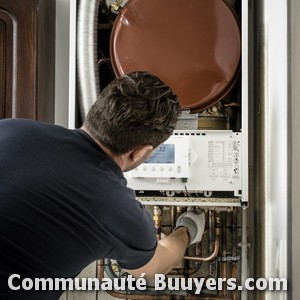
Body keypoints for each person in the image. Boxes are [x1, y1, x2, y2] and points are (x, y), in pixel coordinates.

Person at [0, 71, 205, 299]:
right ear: (141, 152)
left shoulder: (10, 128)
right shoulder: (116, 208)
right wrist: (187, 229)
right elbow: (151, 270)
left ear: (95, 111)